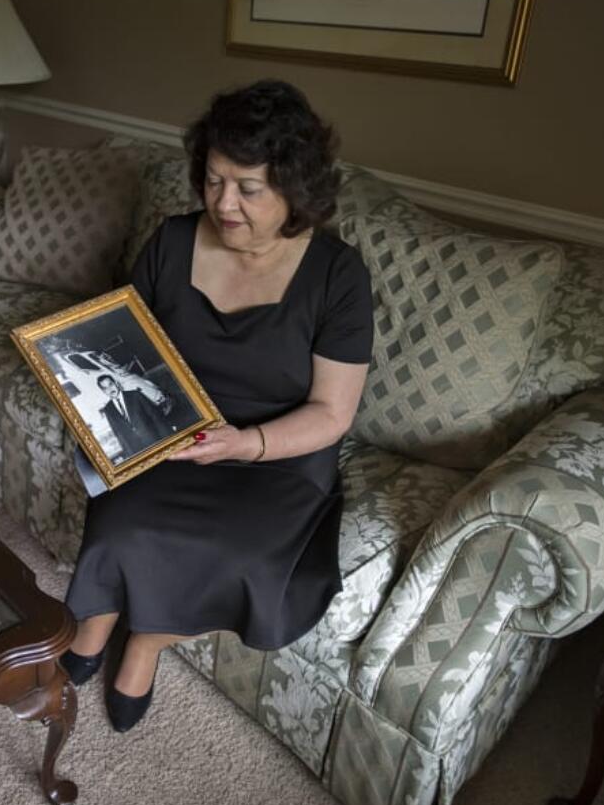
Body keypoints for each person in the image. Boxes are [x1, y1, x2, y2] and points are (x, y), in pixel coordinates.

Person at [59, 80, 373, 732]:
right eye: (212, 180)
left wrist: (243, 443)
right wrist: (88, 375)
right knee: (122, 527)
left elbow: (331, 413)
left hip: (275, 455)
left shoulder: (337, 275)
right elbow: (126, 345)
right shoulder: (174, 242)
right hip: (172, 433)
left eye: (247, 188)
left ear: (295, 187)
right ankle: (98, 619)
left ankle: (143, 639)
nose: (222, 203)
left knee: (244, 558)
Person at [97, 374, 174, 459]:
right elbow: (118, 434)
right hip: (138, 451)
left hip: (156, 441)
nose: (110, 389)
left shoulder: (135, 395)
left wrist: (168, 438)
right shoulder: (108, 409)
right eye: (105, 388)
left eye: (110, 384)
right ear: (103, 391)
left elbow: (156, 417)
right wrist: (131, 456)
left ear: (116, 383)